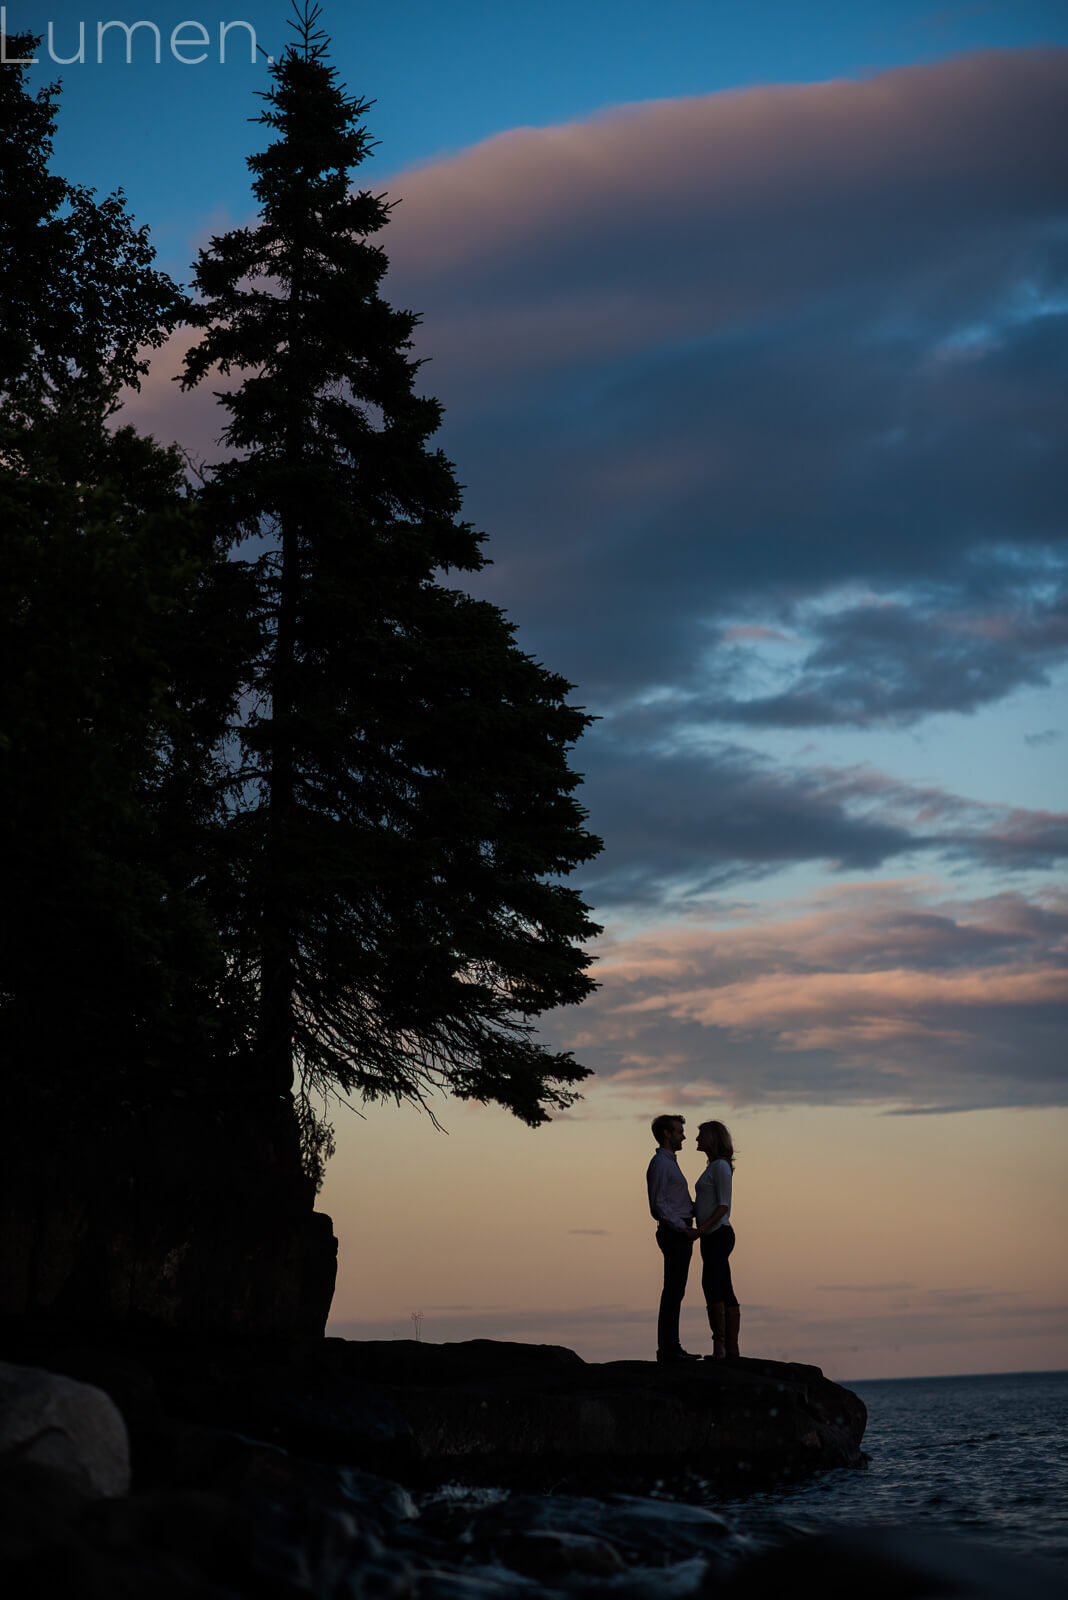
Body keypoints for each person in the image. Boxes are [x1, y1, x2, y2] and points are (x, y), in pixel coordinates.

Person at [646, 1114, 700, 1363]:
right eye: (679, 1131)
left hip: (680, 1231)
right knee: (673, 1291)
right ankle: (668, 1348)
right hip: (675, 1233)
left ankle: (671, 1346)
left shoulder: (669, 1163)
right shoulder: (660, 1163)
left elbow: (676, 1201)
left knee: (676, 1291)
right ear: (667, 1134)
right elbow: (658, 1205)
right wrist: (682, 1227)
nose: (683, 1136)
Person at [693, 1120, 740, 1359]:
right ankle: (729, 1347)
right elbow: (707, 1203)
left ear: (712, 1137)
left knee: (711, 1284)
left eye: (700, 1135)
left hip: (719, 1234)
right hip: (711, 1235)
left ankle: (722, 1346)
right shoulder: (712, 1167)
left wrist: (701, 1230)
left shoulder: (720, 1167)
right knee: (722, 1285)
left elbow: (723, 1207)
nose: (696, 1139)